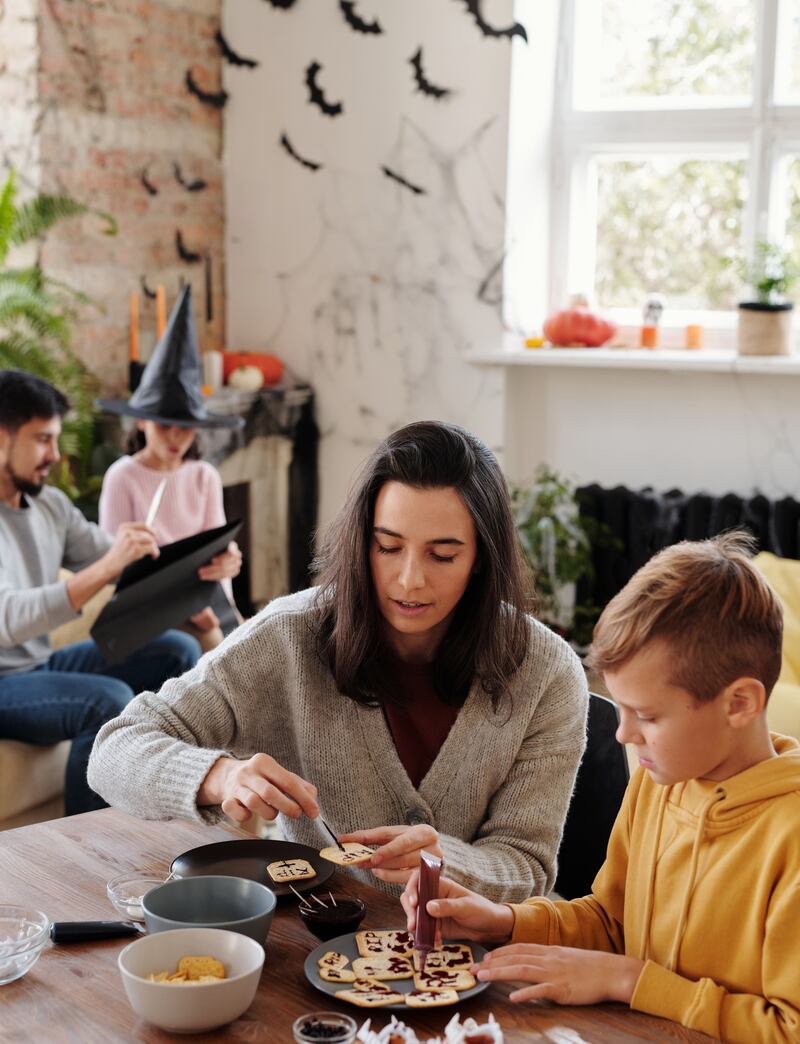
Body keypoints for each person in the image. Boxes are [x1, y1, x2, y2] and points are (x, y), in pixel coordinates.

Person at [89, 420, 588, 900]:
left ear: (482, 558)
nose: (409, 579)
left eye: (442, 555)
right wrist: (221, 776)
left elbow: (528, 868)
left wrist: (443, 862)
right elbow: (114, 750)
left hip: (470, 962)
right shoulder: (288, 637)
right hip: (318, 941)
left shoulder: (546, 671)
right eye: (387, 546)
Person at [401, 532, 800, 1043]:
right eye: (622, 707)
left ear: (740, 704)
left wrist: (631, 980)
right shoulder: (661, 783)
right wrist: (500, 922)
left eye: (649, 716)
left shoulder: (788, 839)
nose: (624, 734)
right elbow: (612, 921)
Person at [0, 369, 201, 816]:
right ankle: (85, 839)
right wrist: (108, 566)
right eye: (41, 439)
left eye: (56, 439)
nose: (54, 454)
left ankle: (165, 803)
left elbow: (111, 555)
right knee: (105, 700)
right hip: (3, 682)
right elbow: (8, 619)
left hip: (38, 663)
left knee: (178, 651)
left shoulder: (48, 504)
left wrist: (200, 565)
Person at [98, 285, 243, 652]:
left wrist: (226, 569)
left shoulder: (203, 476)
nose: (175, 437)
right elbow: (113, 567)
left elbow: (215, 552)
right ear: (142, 423)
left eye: (185, 427)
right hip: (147, 610)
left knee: (250, 643)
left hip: (204, 604)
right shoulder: (123, 477)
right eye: (165, 426)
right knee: (214, 647)